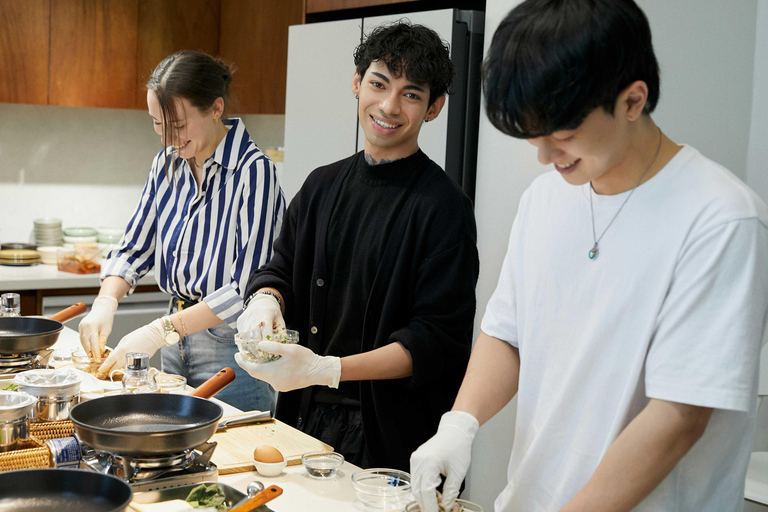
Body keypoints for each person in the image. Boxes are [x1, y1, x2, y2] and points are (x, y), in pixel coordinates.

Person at [410, 1, 768, 511]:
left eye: (561, 134)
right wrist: (460, 422)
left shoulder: (721, 219)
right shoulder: (545, 199)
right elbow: (507, 334)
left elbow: (678, 417)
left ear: (632, 100)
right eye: (533, 136)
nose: (544, 156)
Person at [234, 22, 479, 471]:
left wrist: (330, 369)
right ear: (356, 82)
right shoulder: (322, 185)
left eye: (411, 94)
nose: (388, 106)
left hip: (389, 433)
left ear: (434, 107)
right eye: (378, 83)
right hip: (303, 417)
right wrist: (266, 299)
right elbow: (281, 267)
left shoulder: (443, 207)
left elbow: (436, 341)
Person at [78, 50, 285, 412]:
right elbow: (133, 248)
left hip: (231, 346)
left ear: (216, 108)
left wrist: (160, 330)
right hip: (175, 343)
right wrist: (105, 301)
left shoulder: (254, 173)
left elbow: (245, 288)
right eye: (158, 125)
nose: (169, 138)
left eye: (178, 124)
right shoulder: (167, 163)